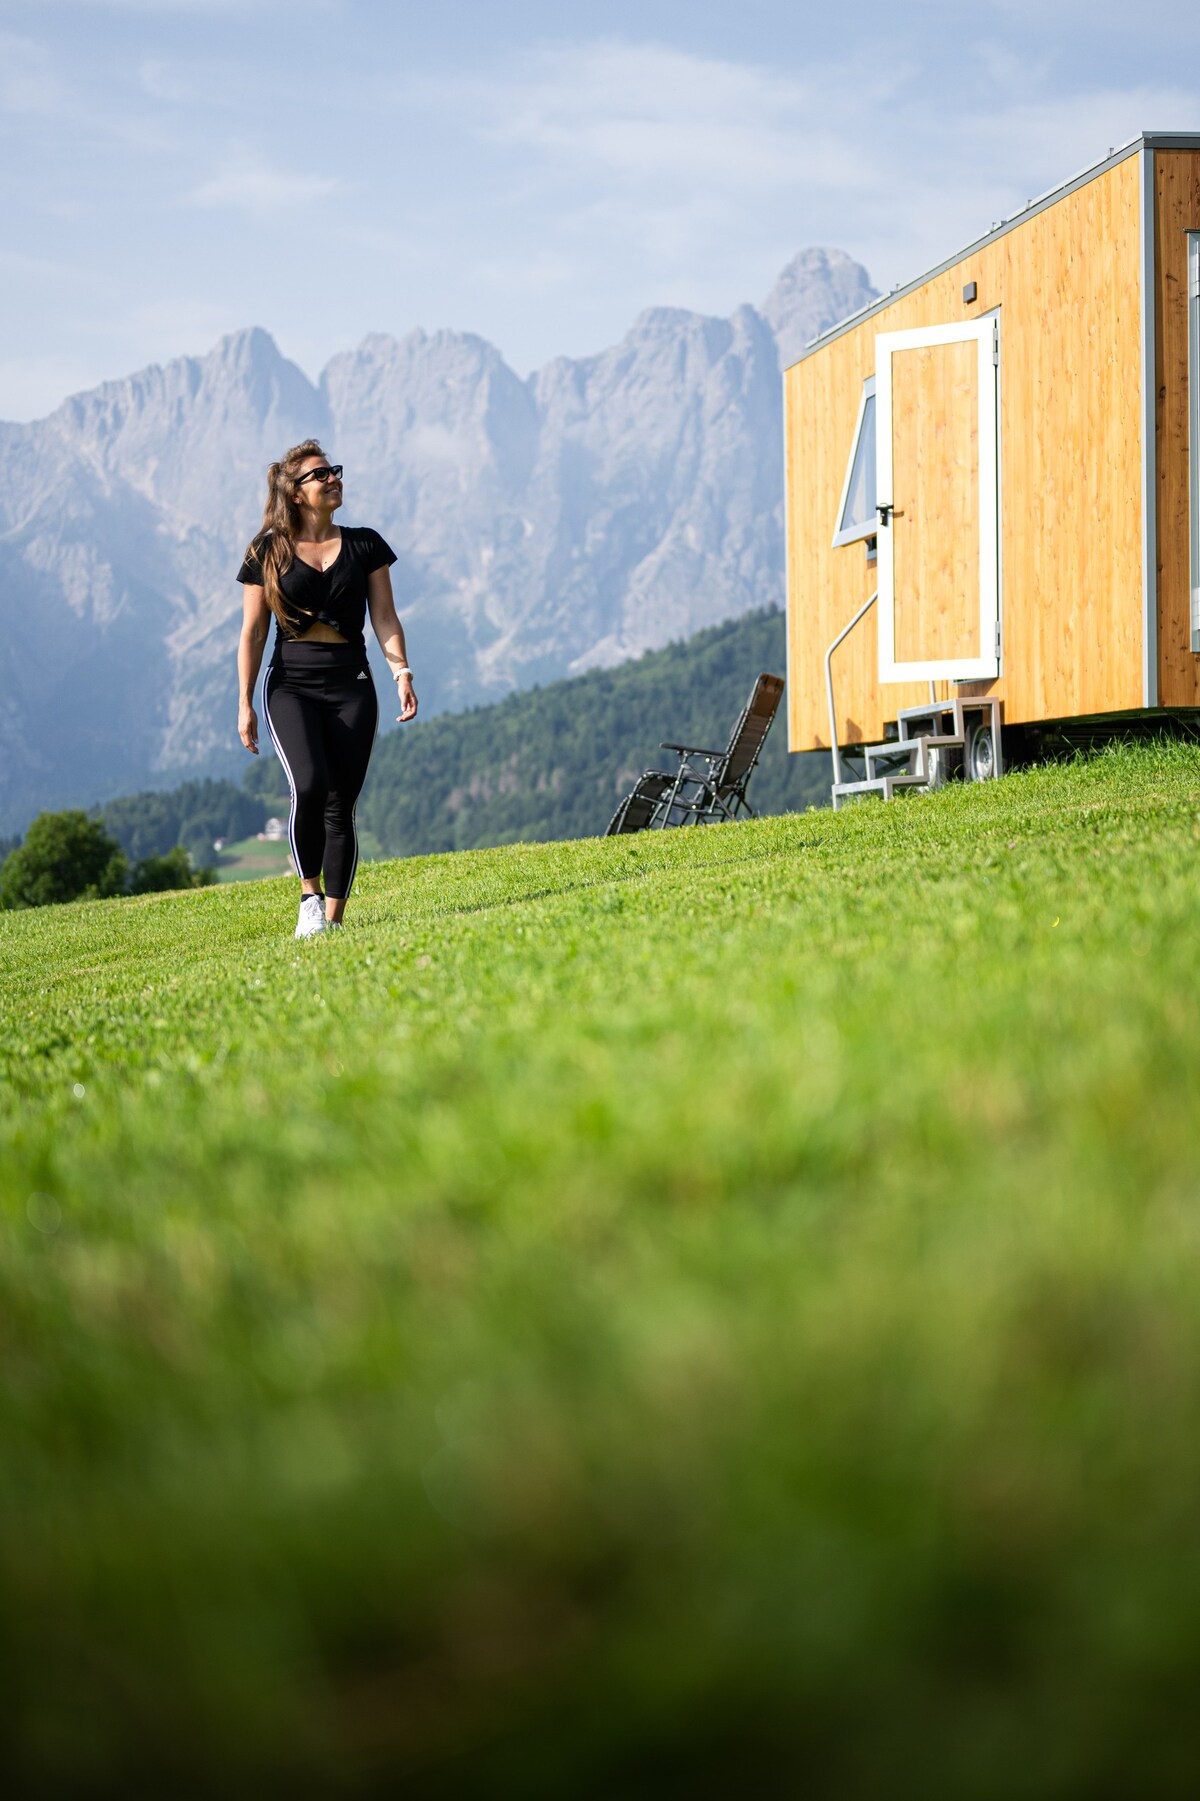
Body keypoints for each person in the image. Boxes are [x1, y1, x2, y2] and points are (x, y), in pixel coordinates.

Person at [236, 440, 417, 937]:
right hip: (290, 683)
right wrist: (244, 702)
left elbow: (384, 617)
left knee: (343, 803)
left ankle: (333, 923)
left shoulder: (365, 545)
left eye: (334, 470)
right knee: (310, 785)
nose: (333, 478)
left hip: (351, 682)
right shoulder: (266, 550)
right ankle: (309, 897)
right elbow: (252, 631)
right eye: (320, 475)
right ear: (295, 493)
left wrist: (402, 673)